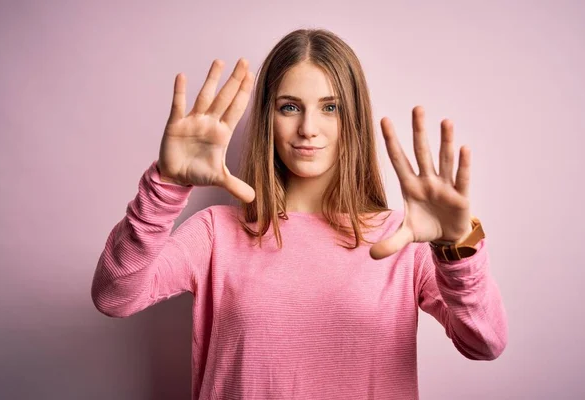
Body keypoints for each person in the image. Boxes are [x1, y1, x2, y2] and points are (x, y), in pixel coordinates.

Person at [91, 28, 508, 400]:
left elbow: (485, 343)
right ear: (268, 118)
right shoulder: (217, 232)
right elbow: (114, 297)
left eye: (330, 108)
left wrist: (456, 248)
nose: (308, 127)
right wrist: (164, 187)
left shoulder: (402, 237)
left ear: (354, 120)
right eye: (290, 107)